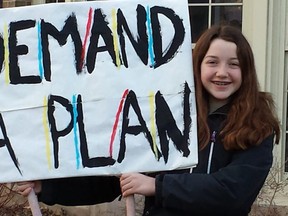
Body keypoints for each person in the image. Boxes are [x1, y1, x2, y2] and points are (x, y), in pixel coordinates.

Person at [17, 25, 280, 216]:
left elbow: (231, 193)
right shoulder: (167, 115)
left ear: (245, 71)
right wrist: (47, 187)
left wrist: (158, 186)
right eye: (212, 62)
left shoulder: (258, 127)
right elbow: (114, 177)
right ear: (197, 65)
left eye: (233, 64)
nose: (222, 72)